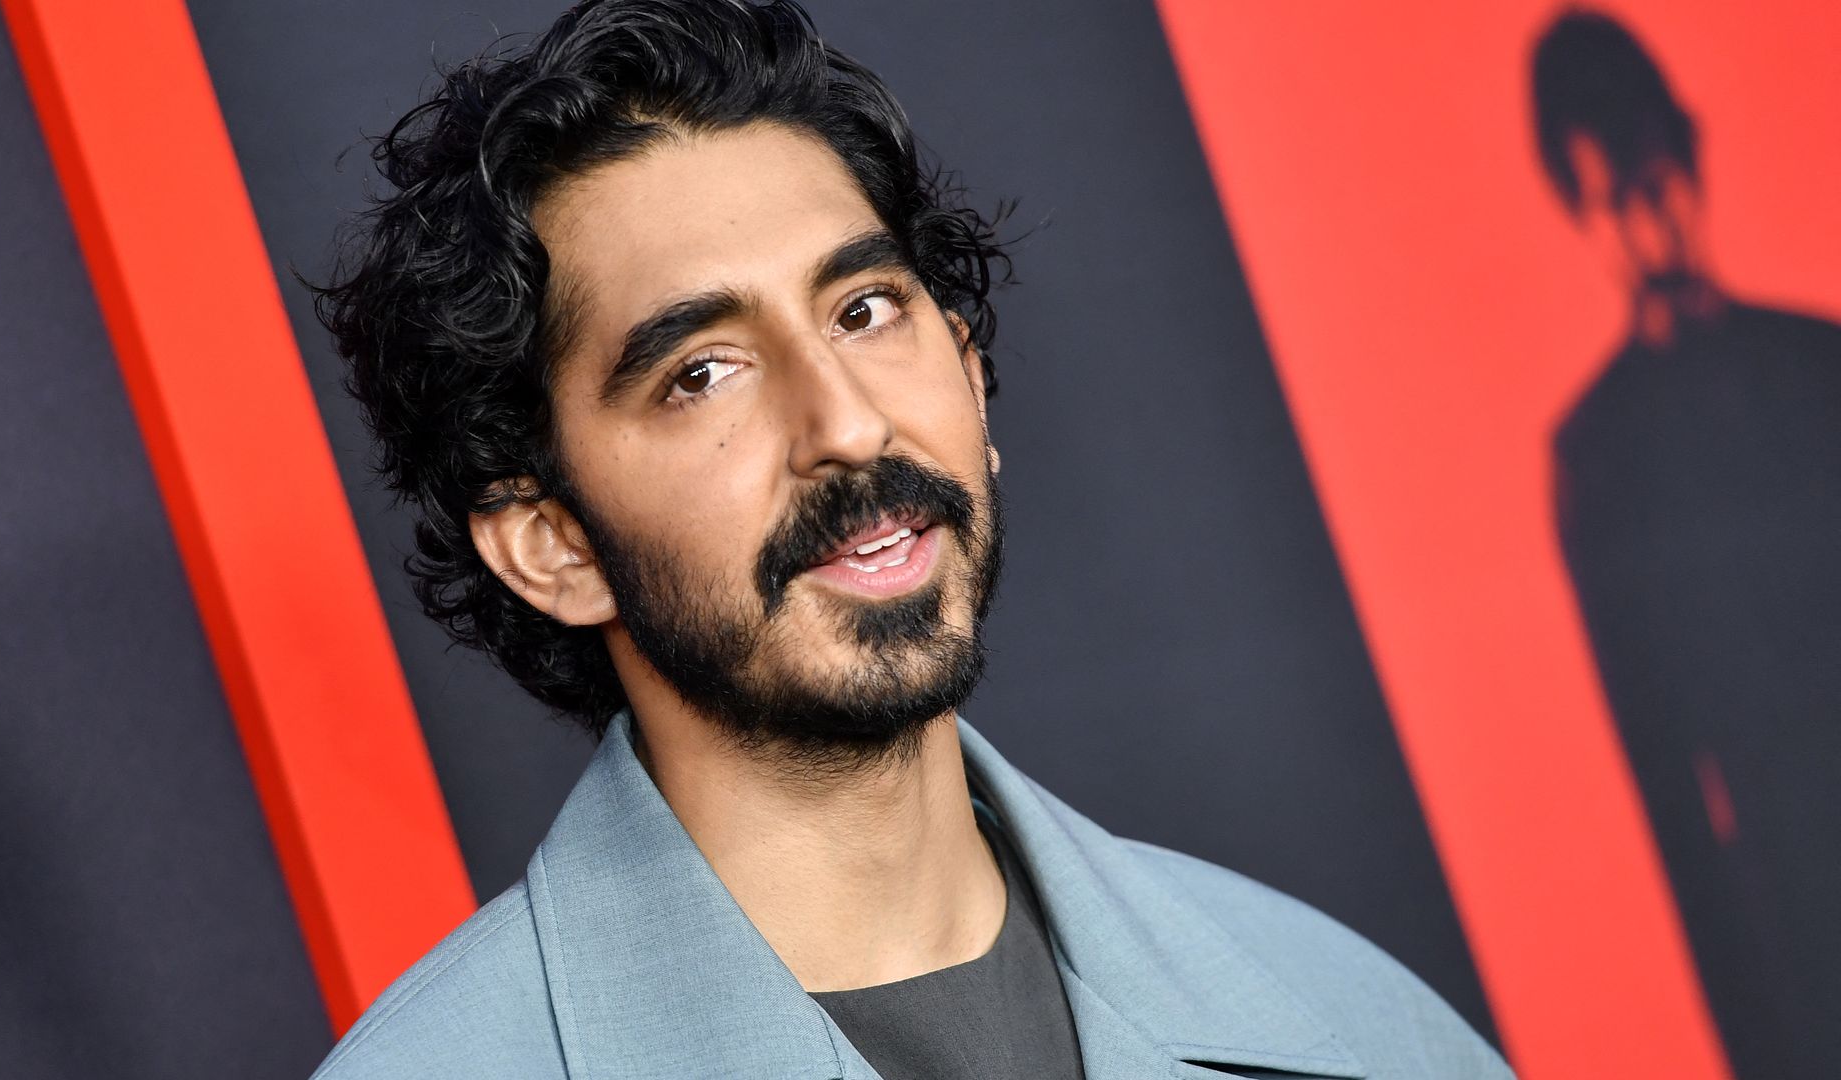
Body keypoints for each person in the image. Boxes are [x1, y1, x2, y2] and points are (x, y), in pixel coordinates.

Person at [308, 1, 1511, 1076]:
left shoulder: (1350, 1021)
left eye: (866, 309)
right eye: (703, 373)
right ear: (552, 545)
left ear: (971, 377)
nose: (846, 423)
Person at [1533, 10, 1841, 1078]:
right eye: (1616, 199)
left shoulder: (1820, 368)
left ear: (1693, 158)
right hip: (1792, 902)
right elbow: (1663, 780)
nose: (1651, 224)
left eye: (1656, 179)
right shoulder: (1598, 457)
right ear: (1581, 213)